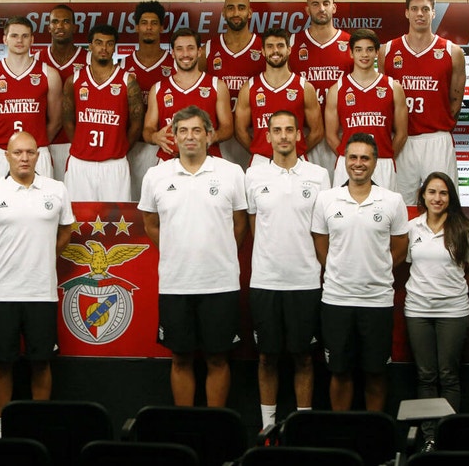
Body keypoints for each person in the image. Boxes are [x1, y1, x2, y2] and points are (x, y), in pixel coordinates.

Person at [139, 105, 247, 407]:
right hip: (176, 284)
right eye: (182, 130)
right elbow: (150, 224)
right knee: (180, 358)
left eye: (197, 130)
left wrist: (218, 251)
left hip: (220, 284)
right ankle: (183, 425)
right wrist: (177, 247)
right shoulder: (155, 175)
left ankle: (215, 425)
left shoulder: (232, 173)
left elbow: (240, 225)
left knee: (218, 358)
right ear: (173, 135)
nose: (190, 137)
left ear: (210, 135)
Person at [0, 131, 74, 438]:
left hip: (41, 292)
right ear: (7, 156)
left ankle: (39, 423)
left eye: (30, 152)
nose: (24, 158)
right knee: (2, 364)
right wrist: (6, 257)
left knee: (41, 363)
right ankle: (3, 424)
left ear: (38, 156)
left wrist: (44, 257)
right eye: (17, 152)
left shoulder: (56, 190)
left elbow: (66, 231)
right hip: (3, 292)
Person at [311, 133, 409, 411]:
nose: (358, 163)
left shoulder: (392, 200)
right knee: (339, 372)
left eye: (365, 157)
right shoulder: (327, 199)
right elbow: (320, 242)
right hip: (336, 301)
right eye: (353, 157)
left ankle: (373, 435)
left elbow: (400, 248)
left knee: (376, 373)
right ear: (344, 161)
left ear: (375, 162)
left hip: (377, 302)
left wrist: (375, 269)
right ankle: (341, 434)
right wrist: (338, 268)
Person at [245, 111, 330, 428]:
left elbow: (322, 230)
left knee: (304, 358)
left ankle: (303, 427)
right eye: (276, 130)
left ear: (299, 136)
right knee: (266, 358)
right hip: (265, 282)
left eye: (289, 130)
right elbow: (255, 225)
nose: (283, 136)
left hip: (305, 281)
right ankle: (267, 426)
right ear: (267, 137)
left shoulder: (319, 175)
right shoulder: (253, 176)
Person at [404, 171, 469, 452]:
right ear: (423, 195)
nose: (437, 198)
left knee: (448, 374)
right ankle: (430, 438)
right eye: (432, 192)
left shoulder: (465, 229)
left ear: (451, 197)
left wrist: (453, 290)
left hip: (453, 311)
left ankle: (449, 436)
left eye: (443, 193)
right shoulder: (412, 228)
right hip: (418, 310)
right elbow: (406, 264)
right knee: (426, 375)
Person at [381, 0, 466, 205]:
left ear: (433, 13)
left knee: (444, 202)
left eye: (425, 9)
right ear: (407, 13)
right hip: (402, 139)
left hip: (436, 138)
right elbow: (382, 95)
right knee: (400, 204)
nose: (420, 14)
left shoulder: (452, 51)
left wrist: (439, 123)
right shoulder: (388, 50)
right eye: (415, 9)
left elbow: (455, 101)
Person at [62, 24, 144, 202]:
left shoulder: (127, 81)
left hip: (114, 164)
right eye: (99, 43)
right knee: (77, 222)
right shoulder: (74, 80)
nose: (104, 48)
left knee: (115, 222)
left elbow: (137, 125)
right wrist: (81, 144)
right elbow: (67, 121)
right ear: (90, 46)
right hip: (80, 163)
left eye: (109, 43)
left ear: (115, 47)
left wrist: (119, 148)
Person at [0, 16, 63, 181]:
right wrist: (4, 144)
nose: (19, 40)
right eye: (14, 35)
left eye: (25, 36)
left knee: (40, 205)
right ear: (5, 39)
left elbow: (56, 121)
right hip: (1, 153)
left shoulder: (49, 74)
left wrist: (35, 146)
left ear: (32, 40)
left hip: (37, 154)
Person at [325, 29, 408, 190]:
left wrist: (383, 155)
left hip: (382, 162)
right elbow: (330, 136)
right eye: (359, 50)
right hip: (348, 164)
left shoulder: (393, 87)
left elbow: (402, 134)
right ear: (351, 53)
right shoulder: (337, 89)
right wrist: (349, 157)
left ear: (377, 52)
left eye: (370, 49)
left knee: (384, 213)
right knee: (344, 212)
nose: (364, 54)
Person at [289, 0, 353, 181]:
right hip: (307, 134)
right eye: (315, 4)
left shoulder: (351, 43)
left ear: (334, 8)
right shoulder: (292, 42)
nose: (321, 9)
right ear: (307, 9)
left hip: (341, 133)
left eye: (326, 3)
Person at [235, 26, 323, 167]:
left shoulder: (304, 87)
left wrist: (297, 150)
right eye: (270, 46)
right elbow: (240, 131)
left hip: (296, 160)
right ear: (263, 51)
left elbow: (317, 131)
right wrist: (260, 150)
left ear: (289, 49)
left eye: (280, 46)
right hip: (261, 162)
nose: (275, 51)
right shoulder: (249, 87)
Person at [143, 28, 233, 162]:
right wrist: (155, 137)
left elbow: (228, 127)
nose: (185, 54)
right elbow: (148, 129)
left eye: (190, 48)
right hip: (169, 160)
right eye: (179, 49)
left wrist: (215, 136)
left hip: (207, 159)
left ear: (199, 52)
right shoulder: (158, 89)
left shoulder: (217, 85)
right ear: (173, 53)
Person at [124, 0, 174, 200]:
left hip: (163, 145)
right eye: (144, 22)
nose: (149, 27)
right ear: (136, 26)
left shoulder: (174, 63)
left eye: (154, 23)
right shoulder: (123, 64)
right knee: (135, 200)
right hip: (133, 144)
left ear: (162, 27)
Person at [34, 5, 90, 181]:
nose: (60, 26)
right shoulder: (36, 59)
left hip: (78, 142)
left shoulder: (89, 59)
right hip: (45, 143)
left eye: (66, 22)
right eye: (55, 22)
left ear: (74, 27)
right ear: (48, 27)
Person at [201, 0, 265, 110]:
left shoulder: (264, 48)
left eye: (241, 8)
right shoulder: (208, 49)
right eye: (231, 8)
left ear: (250, 13)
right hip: (218, 126)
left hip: (252, 126)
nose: (236, 13)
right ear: (223, 13)